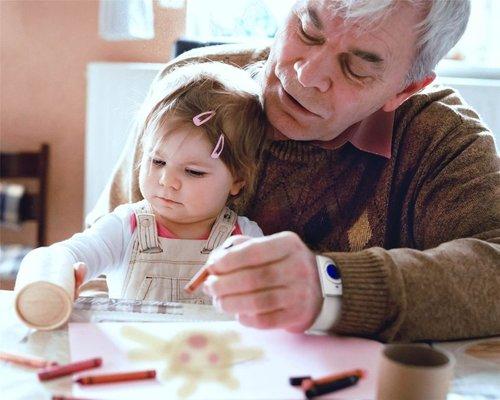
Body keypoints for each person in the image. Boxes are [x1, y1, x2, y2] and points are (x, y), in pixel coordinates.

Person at [91, 0, 500, 342]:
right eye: (307, 30)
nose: (307, 75)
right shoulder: (195, 88)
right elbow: (106, 250)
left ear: (404, 89)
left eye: (356, 68)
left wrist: (333, 287)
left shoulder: (441, 139)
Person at [17, 62, 268, 303]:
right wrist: (57, 276)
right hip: (132, 347)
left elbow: (270, 291)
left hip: (210, 347)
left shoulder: (244, 237)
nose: (167, 180)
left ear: (238, 180)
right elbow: (67, 253)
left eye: (193, 172)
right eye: (158, 161)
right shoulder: (126, 227)